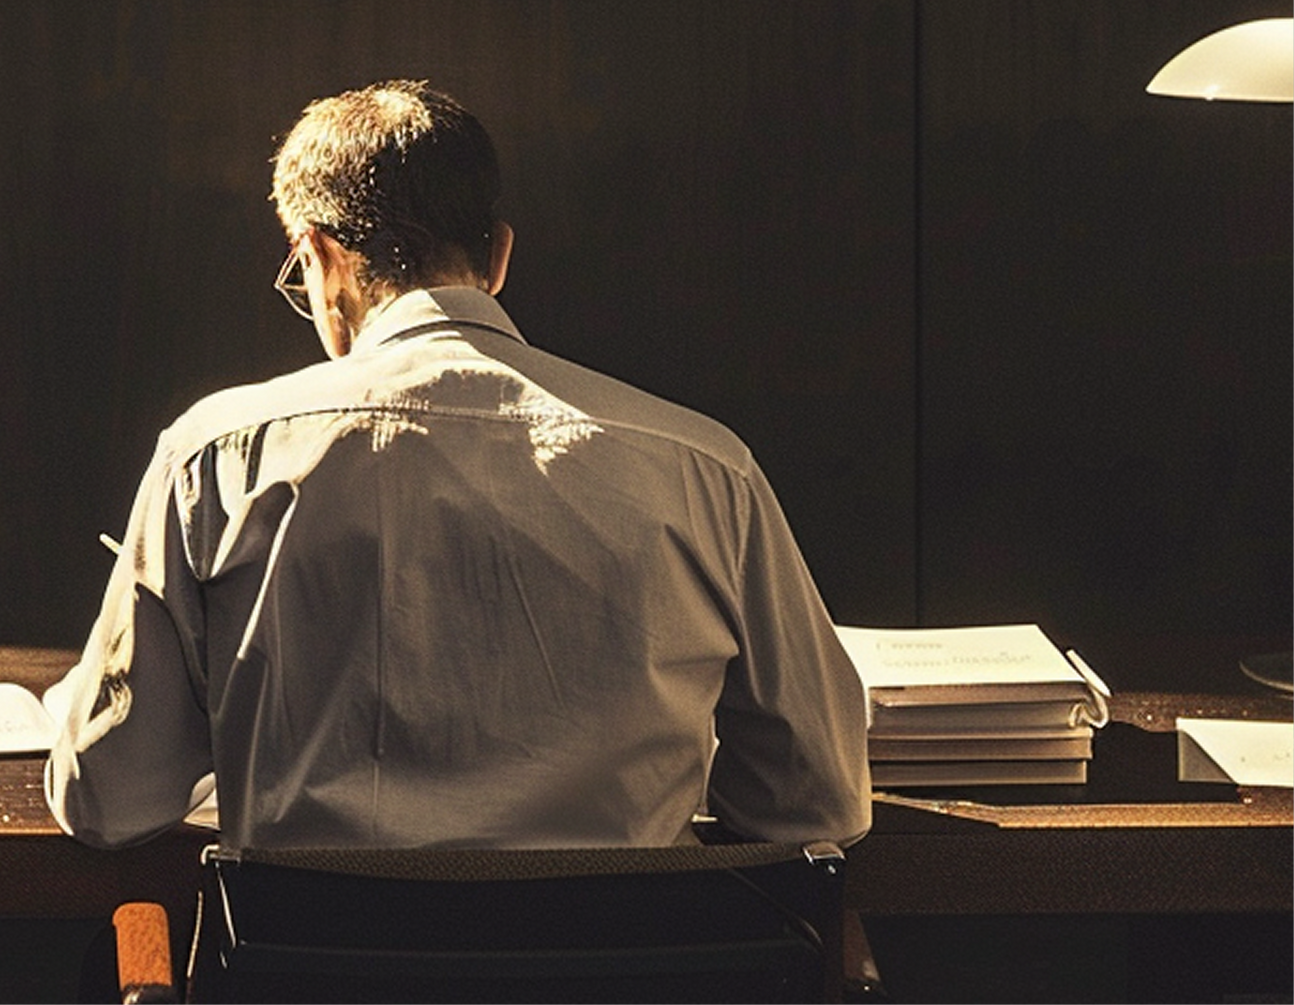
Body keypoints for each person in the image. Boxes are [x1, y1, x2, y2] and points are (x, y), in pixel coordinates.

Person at [44, 80, 870, 852]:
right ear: (499, 256)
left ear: (319, 255)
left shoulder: (218, 455)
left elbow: (108, 800)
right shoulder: (703, 469)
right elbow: (816, 800)